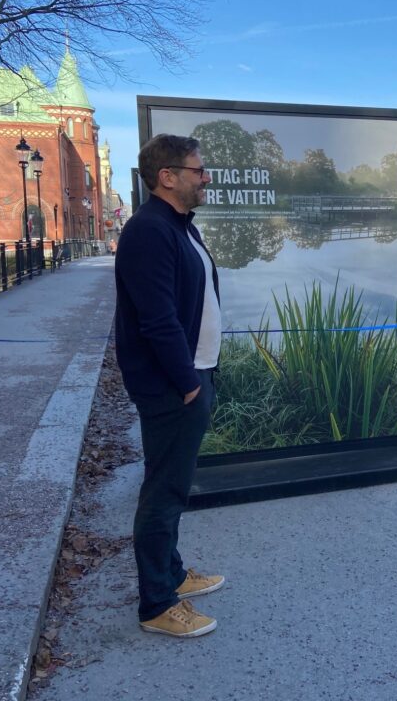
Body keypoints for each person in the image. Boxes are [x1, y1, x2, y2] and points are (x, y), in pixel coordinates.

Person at [115, 134, 225, 637]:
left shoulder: (179, 227)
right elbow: (156, 318)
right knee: (163, 492)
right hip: (174, 385)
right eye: (199, 170)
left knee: (173, 486)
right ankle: (157, 604)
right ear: (168, 176)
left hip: (193, 374)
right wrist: (186, 383)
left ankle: (173, 575)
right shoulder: (148, 231)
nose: (205, 177)